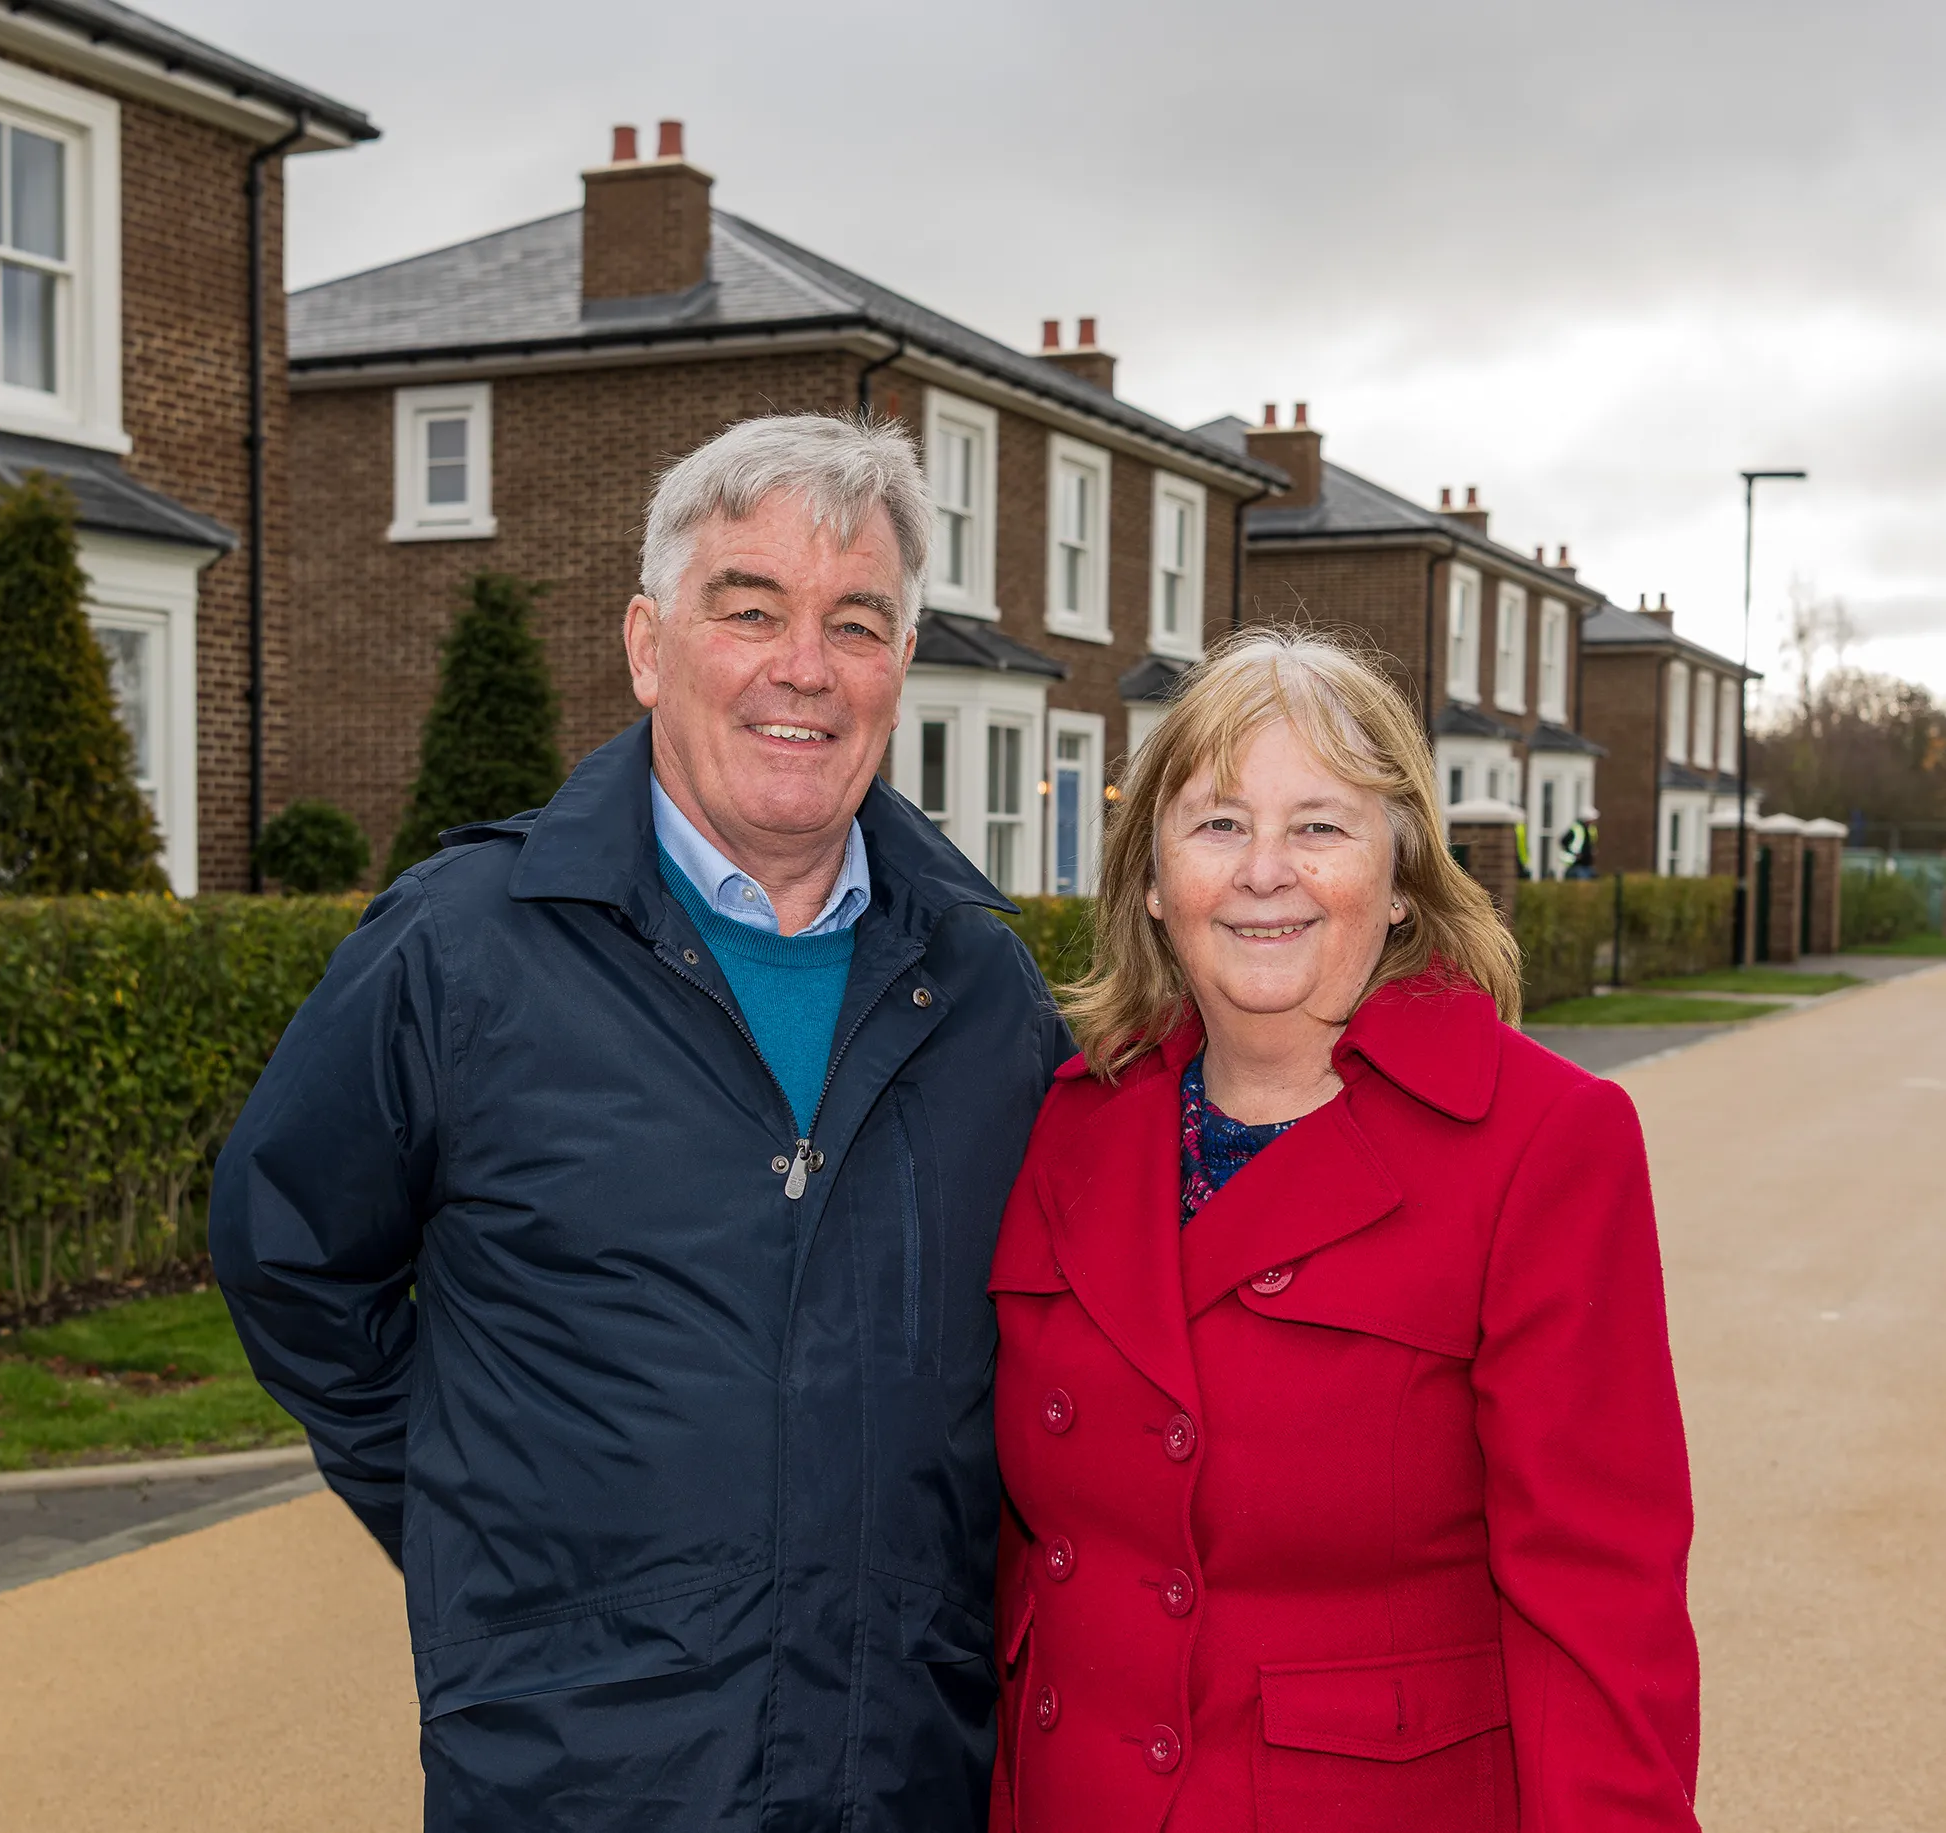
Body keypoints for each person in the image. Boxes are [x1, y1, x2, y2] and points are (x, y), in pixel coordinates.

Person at [212, 414, 1074, 1830]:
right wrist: (479, 1533)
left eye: (855, 623)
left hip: (904, 1768)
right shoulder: (460, 948)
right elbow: (291, 1255)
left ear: (898, 668)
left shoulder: (986, 991)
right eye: (750, 609)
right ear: (646, 645)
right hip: (575, 1779)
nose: (804, 666)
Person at [988, 632, 1699, 1831]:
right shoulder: (1069, 1127)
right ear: (1152, 882)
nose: (1265, 871)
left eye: (1318, 825)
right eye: (1216, 824)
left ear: (1403, 876)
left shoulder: (1541, 1143)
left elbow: (1597, 1613)